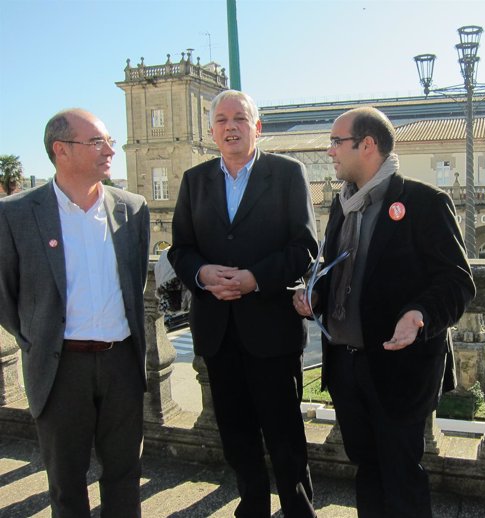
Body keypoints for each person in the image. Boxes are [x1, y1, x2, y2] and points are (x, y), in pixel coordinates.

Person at [293, 107, 476, 518]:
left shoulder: (424, 202)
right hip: (346, 366)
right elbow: (333, 268)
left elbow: (458, 282)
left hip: (400, 369)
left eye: (336, 142)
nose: (330, 152)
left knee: (402, 477)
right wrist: (315, 295)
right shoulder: (342, 205)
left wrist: (418, 314)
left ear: (368, 145)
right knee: (367, 470)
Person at [168, 90, 318, 518]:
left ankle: (298, 510)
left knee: (285, 434)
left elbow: (304, 246)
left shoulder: (288, 173)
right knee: (235, 433)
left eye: (239, 118)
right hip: (218, 329)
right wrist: (202, 275)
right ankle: (251, 506)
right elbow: (180, 249)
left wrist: (255, 279)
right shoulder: (194, 181)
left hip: (270, 328)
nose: (229, 126)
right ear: (212, 129)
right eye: (220, 119)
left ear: (257, 127)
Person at [0, 109, 150, 517]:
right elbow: (6, 295)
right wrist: (35, 337)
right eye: (97, 142)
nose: (110, 150)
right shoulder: (15, 214)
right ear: (60, 150)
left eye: (110, 141)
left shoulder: (132, 209)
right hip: (59, 367)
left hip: (121, 362)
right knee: (66, 484)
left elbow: (134, 283)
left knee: (124, 474)